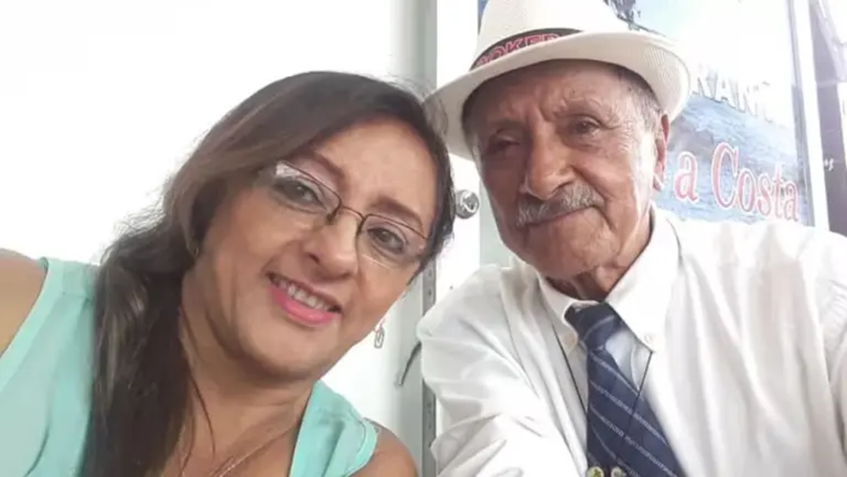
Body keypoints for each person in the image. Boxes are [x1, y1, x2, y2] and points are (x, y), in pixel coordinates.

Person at [418, 0, 847, 476]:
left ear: (658, 148)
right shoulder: (476, 326)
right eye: (503, 145)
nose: (541, 178)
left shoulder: (813, 287)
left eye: (584, 127)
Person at [0, 71, 455, 476]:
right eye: (302, 191)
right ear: (211, 196)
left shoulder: (369, 467)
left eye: (388, 238)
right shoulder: (16, 310)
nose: (337, 255)